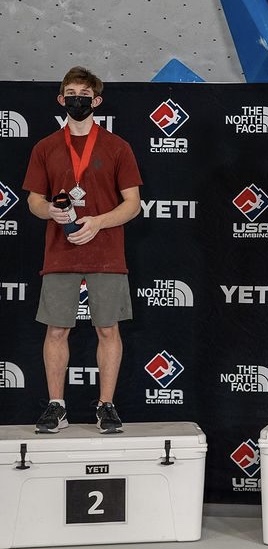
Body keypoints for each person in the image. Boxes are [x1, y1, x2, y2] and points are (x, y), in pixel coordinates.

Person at [23, 66, 143, 434]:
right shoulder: (45, 147)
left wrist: (98, 222)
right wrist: (51, 211)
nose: (78, 100)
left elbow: (133, 204)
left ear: (97, 101)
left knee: (107, 329)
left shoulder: (117, 146)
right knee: (56, 330)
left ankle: (106, 406)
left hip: (106, 251)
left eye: (84, 95)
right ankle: (56, 406)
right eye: (72, 94)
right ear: (61, 99)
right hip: (60, 251)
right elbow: (33, 200)